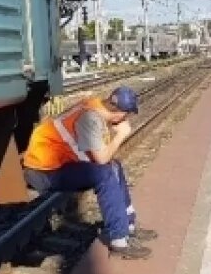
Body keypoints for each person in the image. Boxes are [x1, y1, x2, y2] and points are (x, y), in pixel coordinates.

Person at [22, 86, 157, 260]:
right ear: (119, 114)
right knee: (105, 173)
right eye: (127, 115)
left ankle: (128, 225)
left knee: (114, 166)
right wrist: (121, 135)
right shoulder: (90, 119)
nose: (126, 119)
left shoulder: (95, 107)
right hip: (44, 172)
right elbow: (101, 159)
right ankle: (119, 240)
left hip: (58, 163)